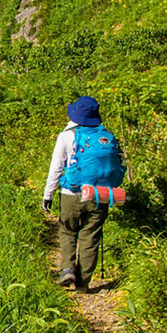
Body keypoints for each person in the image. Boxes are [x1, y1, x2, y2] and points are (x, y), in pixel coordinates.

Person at [40, 95, 127, 292]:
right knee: (91, 236)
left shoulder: (66, 136)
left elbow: (55, 168)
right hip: (100, 194)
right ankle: (83, 284)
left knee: (68, 230)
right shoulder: (106, 136)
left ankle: (67, 269)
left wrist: (48, 195)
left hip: (71, 194)